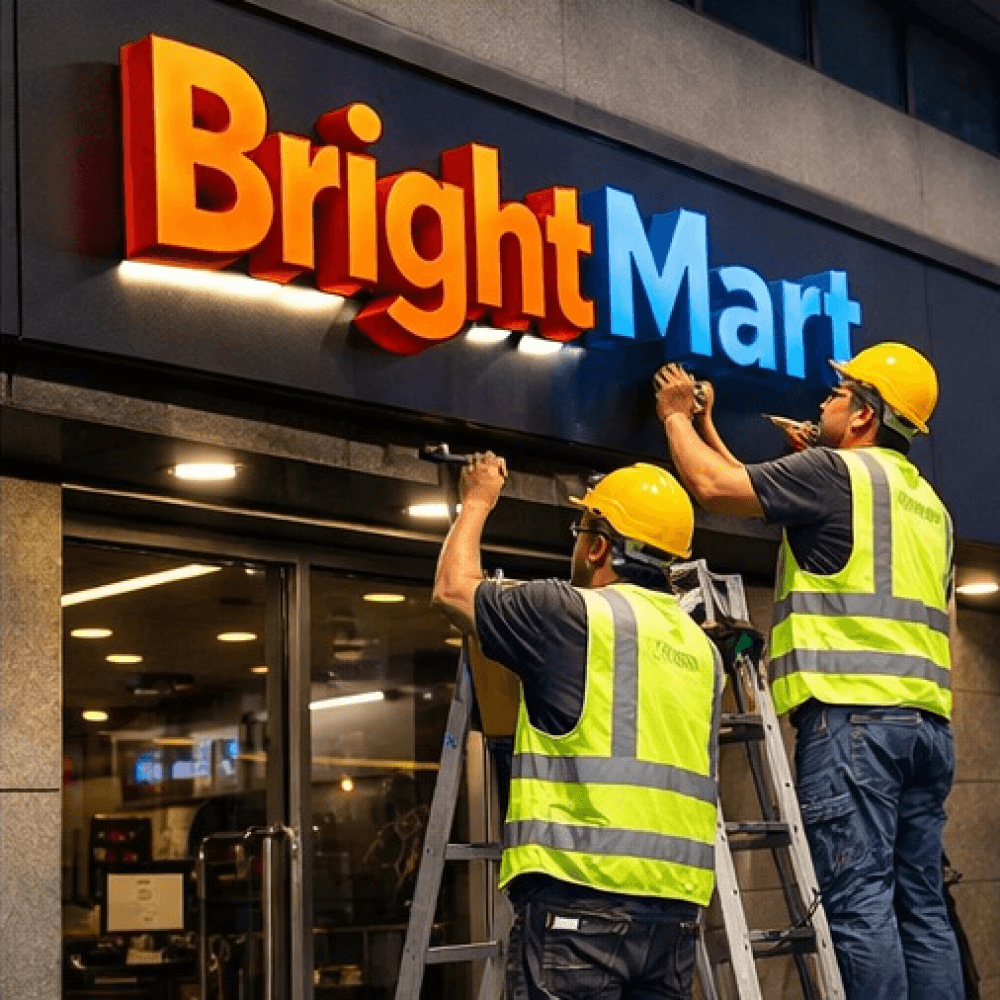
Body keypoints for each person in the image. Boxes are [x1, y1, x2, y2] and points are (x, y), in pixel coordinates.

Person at [654, 343, 963, 1000]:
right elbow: (754, 485)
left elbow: (715, 488)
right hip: (926, 730)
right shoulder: (929, 505)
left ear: (864, 415)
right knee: (922, 907)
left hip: (854, 725)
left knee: (861, 905)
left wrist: (677, 416)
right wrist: (713, 427)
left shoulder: (834, 475)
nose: (823, 402)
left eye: (837, 394)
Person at [432, 455, 724, 1000]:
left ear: (598, 547)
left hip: (579, 902)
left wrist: (476, 500)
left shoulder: (571, 614)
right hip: (676, 915)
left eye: (581, 529)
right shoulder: (703, 650)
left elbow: (452, 591)